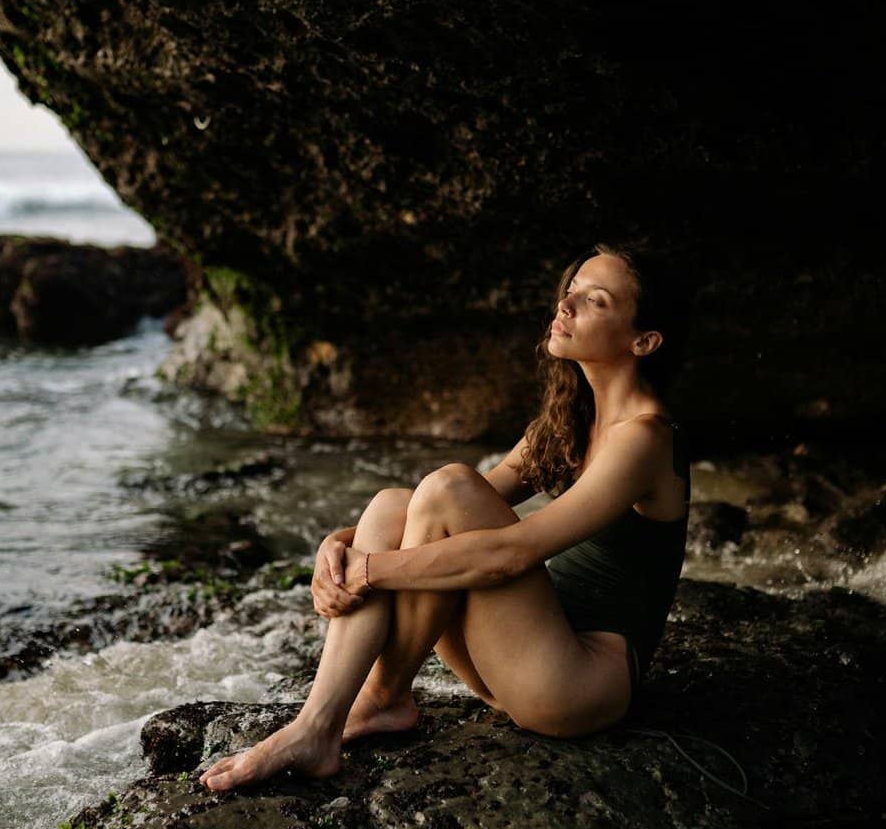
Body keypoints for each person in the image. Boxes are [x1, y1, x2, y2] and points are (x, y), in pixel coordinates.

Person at [199, 240, 694, 793]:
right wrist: (335, 546)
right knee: (393, 504)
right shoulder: (571, 420)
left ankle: (362, 706)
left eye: (595, 300)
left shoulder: (646, 439)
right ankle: (346, 712)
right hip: (517, 657)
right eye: (570, 291)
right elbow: (428, 508)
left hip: (574, 684)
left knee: (450, 487)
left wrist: (366, 571)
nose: (566, 306)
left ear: (643, 340)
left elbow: (511, 552)